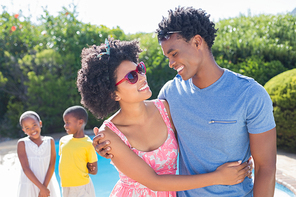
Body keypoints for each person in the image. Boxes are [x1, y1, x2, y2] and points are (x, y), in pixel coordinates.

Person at [96, 7, 277, 197]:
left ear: (197, 42)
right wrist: (108, 146)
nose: (170, 63)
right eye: (167, 57)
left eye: (174, 54)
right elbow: (139, 123)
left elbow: (266, 167)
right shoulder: (170, 94)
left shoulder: (251, 94)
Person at [76, 38, 252, 197]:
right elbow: (154, 182)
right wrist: (218, 177)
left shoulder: (165, 108)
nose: (142, 77)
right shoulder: (110, 135)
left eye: (140, 69)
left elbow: (201, 135)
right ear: (113, 94)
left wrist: (240, 157)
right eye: (131, 77)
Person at [17, 111, 61, 197]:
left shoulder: (50, 141)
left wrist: (44, 188)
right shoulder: (22, 143)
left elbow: (51, 165)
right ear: (24, 130)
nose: (32, 130)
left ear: (40, 123)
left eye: (34, 125)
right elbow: (25, 168)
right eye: (27, 128)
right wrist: (41, 188)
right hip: (29, 185)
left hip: (48, 184)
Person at [59, 105, 98, 197]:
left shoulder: (88, 144)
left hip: (82, 186)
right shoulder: (63, 140)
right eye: (65, 123)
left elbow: (94, 170)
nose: (65, 126)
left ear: (80, 122)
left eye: (68, 122)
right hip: (66, 185)